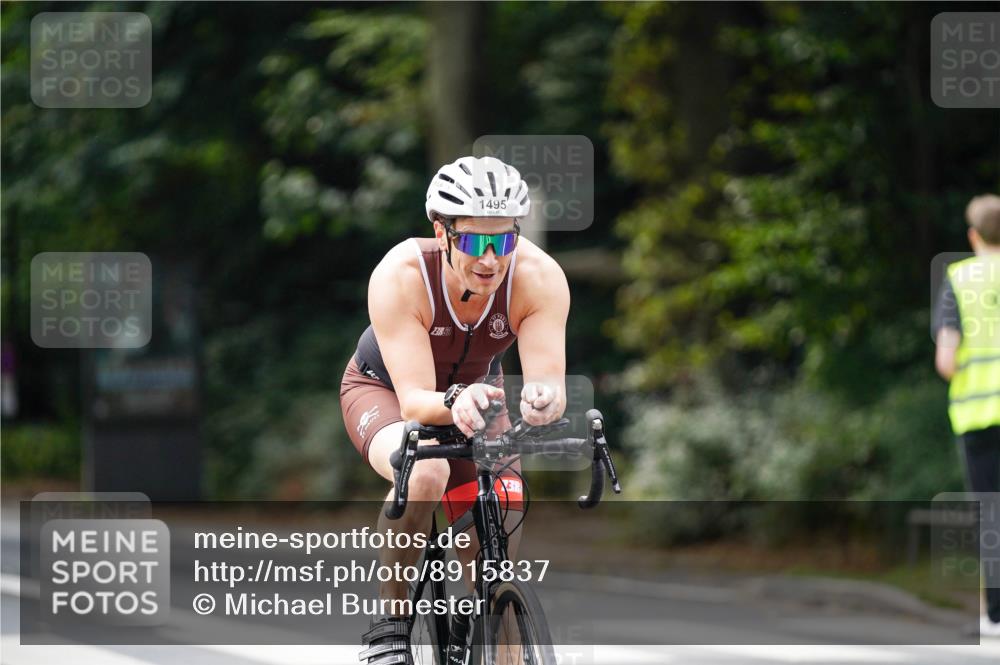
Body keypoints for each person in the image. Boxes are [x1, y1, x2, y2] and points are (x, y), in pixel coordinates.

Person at [340, 156, 570, 663]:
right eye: (473, 241)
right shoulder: (402, 275)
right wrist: (452, 400)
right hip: (387, 390)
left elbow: (548, 380)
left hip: (481, 397)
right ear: (442, 233)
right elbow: (416, 401)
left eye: (502, 242)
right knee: (426, 472)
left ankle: (491, 627)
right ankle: (391, 627)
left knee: (498, 525)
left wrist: (543, 401)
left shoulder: (538, 277)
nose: (489, 260)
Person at [934, 193, 1000, 639]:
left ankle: (996, 614)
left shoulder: (959, 280)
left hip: (978, 417)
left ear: (973, 235)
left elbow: (946, 359)